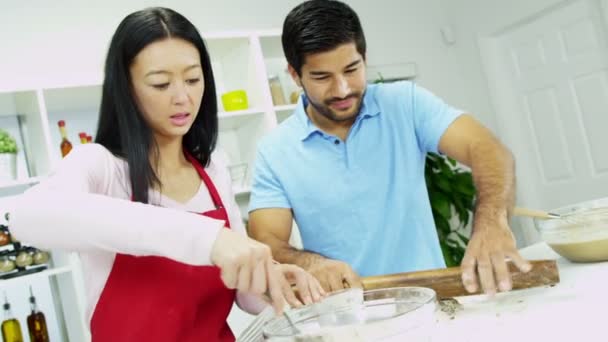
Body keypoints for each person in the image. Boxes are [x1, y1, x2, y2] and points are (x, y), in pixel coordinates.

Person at [10, 7, 323, 342]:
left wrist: (268, 281)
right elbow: (27, 217)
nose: (183, 97)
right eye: (160, 84)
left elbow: (240, 293)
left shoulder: (213, 170)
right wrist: (207, 239)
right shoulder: (101, 166)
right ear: (126, 90)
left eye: (192, 79)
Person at [248, 0, 531, 296]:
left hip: (430, 299)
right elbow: (267, 240)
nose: (343, 89)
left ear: (364, 57)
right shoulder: (275, 149)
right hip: (348, 313)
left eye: (352, 69)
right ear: (295, 75)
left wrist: (491, 223)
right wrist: (310, 263)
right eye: (322, 77)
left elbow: (487, 149)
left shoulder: (405, 103)